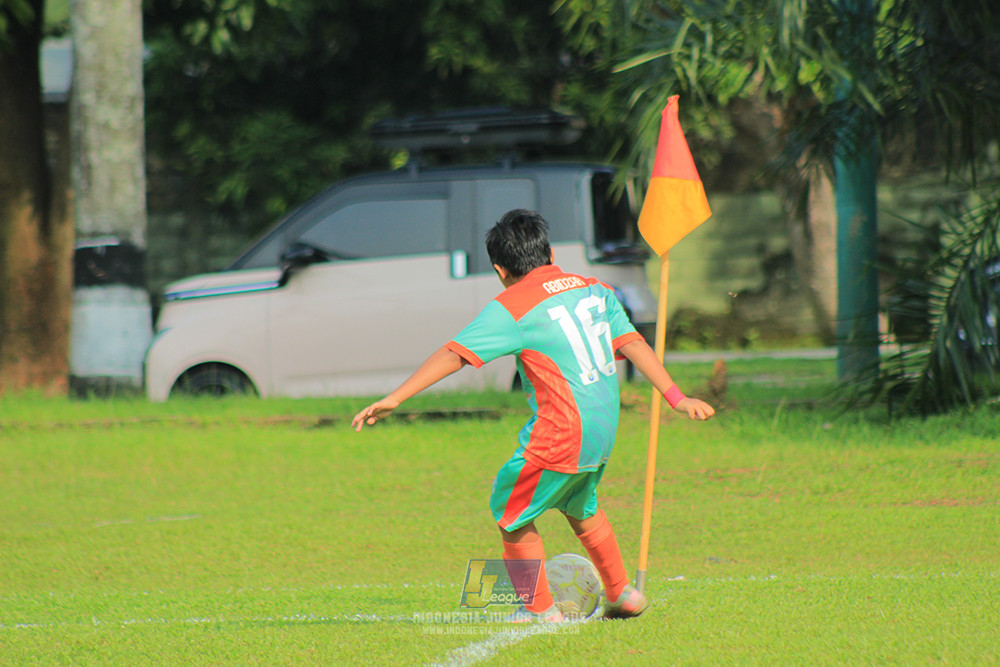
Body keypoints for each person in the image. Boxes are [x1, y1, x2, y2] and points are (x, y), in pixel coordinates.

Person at [352, 209, 714, 622]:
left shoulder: (512, 306)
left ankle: (540, 611)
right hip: (602, 429)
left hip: (562, 431)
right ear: (550, 252)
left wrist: (396, 397)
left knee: (509, 509)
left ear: (500, 269)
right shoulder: (595, 289)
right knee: (582, 505)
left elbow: (455, 354)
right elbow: (633, 343)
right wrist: (676, 397)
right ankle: (621, 593)